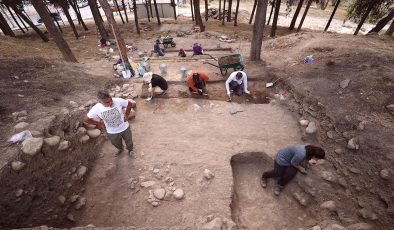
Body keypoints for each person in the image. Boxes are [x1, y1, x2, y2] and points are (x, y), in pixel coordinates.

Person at [83, 90, 135, 157]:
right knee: (116, 143)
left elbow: (129, 104)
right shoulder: (96, 108)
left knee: (129, 141)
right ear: (101, 102)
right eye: (107, 102)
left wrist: (127, 115)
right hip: (112, 131)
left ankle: (130, 150)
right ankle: (120, 149)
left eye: (111, 100)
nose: (110, 102)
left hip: (125, 127)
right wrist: (99, 123)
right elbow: (86, 119)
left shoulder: (118, 100)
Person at [261, 145, 325, 195]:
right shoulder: (301, 153)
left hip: (292, 159)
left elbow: (303, 159)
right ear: (314, 154)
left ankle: (279, 185)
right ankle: (264, 176)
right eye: (317, 158)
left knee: (290, 174)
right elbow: (293, 163)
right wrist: (301, 168)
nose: (317, 160)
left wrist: (306, 164)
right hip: (282, 159)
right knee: (278, 173)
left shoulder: (310, 149)